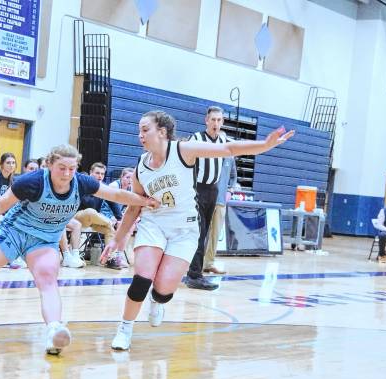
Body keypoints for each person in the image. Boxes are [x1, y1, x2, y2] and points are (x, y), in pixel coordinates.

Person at [0, 144, 159, 355]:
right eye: (62, 168)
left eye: (72, 169)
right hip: (14, 233)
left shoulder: (81, 183)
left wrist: (144, 201)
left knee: (48, 280)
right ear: (50, 164)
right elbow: (0, 205)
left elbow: (116, 195)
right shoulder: (32, 182)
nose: (67, 173)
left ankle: (54, 331)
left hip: (46, 241)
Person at [102, 110, 293, 350]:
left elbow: (228, 150)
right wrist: (118, 239)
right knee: (142, 277)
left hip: (184, 228)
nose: (140, 135)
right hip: (154, 224)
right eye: (139, 130)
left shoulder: (183, 150)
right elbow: (134, 207)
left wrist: (264, 145)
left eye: (145, 129)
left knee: (164, 287)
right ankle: (125, 328)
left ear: (162, 132)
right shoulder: (141, 165)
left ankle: (157, 300)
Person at [186, 106, 231, 290]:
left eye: (219, 120)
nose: (216, 123)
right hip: (197, 189)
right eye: (213, 120)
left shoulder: (223, 139)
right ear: (206, 120)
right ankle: (194, 275)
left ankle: (196, 272)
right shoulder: (196, 138)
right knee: (199, 232)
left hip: (213, 190)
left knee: (204, 233)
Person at [74, 162, 127, 269]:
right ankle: (107, 222)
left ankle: (110, 259)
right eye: (97, 173)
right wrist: (109, 220)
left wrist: (120, 219)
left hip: (93, 221)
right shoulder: (82, 184)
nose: (100, 176)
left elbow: (113, 203)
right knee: (90, 211)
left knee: (109, 229)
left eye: (102, 174)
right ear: (90, 173)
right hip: (77, 218)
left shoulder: (102, 188)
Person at [204, 156, 237, 274]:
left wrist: (230, 190)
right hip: (205, 199)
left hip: (221, 201)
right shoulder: (210, 153)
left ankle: (208, 263)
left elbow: (234, 177)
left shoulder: (230, 158)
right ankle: (194, 264)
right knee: (200, 232)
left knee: (215, 234)